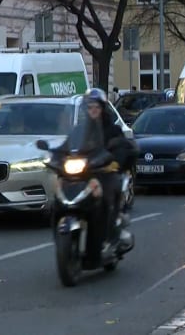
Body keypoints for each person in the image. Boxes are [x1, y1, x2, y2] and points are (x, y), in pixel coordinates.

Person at [73, 88, 137, 262]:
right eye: (90, 107)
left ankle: (110, 237)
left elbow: (123, 147)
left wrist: (115, 162)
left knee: (105, 199)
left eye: (96, 107)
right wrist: (56, 156)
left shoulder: (112, 129)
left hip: (105, 174)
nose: (93, 110)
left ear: (102, 109)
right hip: (85, 175)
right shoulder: (80, 130)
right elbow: (69, 147)